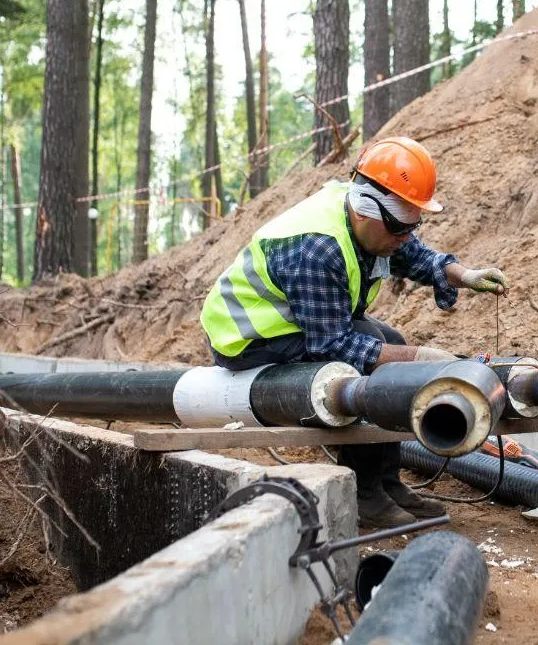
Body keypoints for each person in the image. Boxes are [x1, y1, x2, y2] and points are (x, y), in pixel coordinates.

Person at [200, 136, 509, 528]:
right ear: (366, 210)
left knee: (390, 343)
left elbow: (411, 254)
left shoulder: (372, 221)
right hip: (247, 339)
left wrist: (464, 275)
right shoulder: (318, 247)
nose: (404, 237)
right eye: (399, 227)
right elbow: (333, 343)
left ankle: (386, 480)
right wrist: (422, 360)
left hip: (291, 322)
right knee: (375, 355)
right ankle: (365, 493)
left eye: (413, 224)